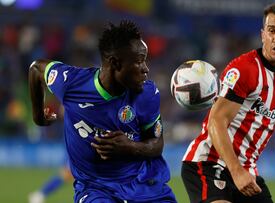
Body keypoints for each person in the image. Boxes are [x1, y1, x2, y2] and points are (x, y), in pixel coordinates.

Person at [29, 20, 176, 203]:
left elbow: (156, 144)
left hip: (143, 185)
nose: (146, 69)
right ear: (115, 63)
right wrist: (38, 116)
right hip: (95, 188)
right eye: (139, 61)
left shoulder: (147, 94)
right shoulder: (72, 83)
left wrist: (129, 147)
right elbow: (36, 68)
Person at [181, 2, 275, 203]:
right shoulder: (243, 69)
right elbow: (216, 121)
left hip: (246, 172)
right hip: (208, 164)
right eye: (272, 31)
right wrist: (236, 171)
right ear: (263, 35)